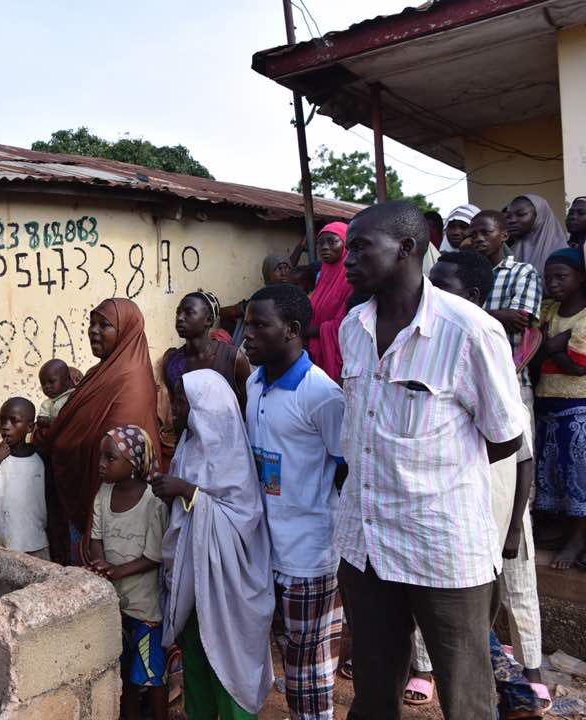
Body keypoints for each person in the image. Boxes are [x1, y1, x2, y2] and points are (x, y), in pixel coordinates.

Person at [337, 201, 523, 720]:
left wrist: (430, 475)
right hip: (367, 544)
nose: (347, 259)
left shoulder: (469, 331)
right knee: (374, 696)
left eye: (360, 247)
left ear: (407, 249)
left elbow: (505, 437)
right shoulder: (353, 326)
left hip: (442, 546)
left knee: (465, 699)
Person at [415, 251, 546, 709]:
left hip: (492, 508)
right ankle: (508, 687)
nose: (427, 295)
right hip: (451, 518)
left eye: (441, 287)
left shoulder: (492, 362)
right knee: (463, 616)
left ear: (472, 297)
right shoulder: (423, 351)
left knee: (493, 603)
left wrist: (512, 526)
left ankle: (520, 680)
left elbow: (520, 452)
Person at [242, 284, 346, 720]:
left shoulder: (321, 394)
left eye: (259, 325)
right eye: (246, 324)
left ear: (292, 330)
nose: (246, 335)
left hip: (309, 552)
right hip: (268, 546)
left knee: (311, 665)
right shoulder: (254, 382)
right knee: (289, 655)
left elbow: (345, 465)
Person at [155, 369, 274, 719]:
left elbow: (243, 518)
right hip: (194, 583)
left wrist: (186, 491)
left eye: (182, 401)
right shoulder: (188, 446)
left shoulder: (231, 453)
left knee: (228, 661)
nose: (173, 409)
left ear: (205, 407)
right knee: (197, 657)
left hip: (227, 589)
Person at [42, 298, 161, 564]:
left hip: (113, 503)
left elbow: (114, 446)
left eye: (104, 325)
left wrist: (61, 440)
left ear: (126, 330)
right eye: (91, 324)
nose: (93, 330)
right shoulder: (101, 372)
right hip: (92, 493)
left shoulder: (131, 380)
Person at [88, 425, 168, 720]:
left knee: (150, 675)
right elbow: (96, 538)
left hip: (146, 610)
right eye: (101, 457)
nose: (101, 464)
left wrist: (117, 571)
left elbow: (154, 556)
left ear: (133, 464)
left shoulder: (153, 502)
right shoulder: (103, 493)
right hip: (116, 605)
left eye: (110, 459)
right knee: (123, 674)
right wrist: (99, 564)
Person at [533, 247, 586, 571]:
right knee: (552, 472)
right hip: (546, 403)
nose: (553, 283)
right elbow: (533, 352)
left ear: (580, 277)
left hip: (577, 405)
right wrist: (554, 347)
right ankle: (563, 530)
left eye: (561, 277)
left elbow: (579, 367)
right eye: (548, 277)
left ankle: (578, 538)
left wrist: (548, 348)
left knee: (579, 475)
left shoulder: (583, 316)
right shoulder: (548, 310)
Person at [469, 210, 543, 388]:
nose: (478, 238)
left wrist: (470, 315)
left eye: (486, 232)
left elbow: (519, 320)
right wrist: (501, 316)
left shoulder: (523, 272)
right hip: (472, 379)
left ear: (504, 235)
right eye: (473, 235)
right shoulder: (467, 276)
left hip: (512, 378)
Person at [0, 397, 49, 560]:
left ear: (30, 427)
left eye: (14, 421)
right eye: (2, 420)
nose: (6, 427)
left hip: (36, 543)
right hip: (1, 546)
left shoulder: (41, 457)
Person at [307, 222, 351, 383]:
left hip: (340, 357)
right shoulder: (323, 276)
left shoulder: (352, 279)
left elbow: (348, 323)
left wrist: (311, 331)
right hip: (316, 353)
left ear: (346, 243)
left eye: (332, 242)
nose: (324, 247)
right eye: (320, 243)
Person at [506, 194, 568, 276]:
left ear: (539, 216)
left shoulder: (563, 254)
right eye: (508, 216)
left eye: (521, 214)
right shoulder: (508, 254)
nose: (512, 220)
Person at [37, 358, 77, 429]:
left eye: (51, 382)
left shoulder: (75, 395)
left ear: (66, 380)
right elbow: (41, 419)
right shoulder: (47, 403)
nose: (47, 387)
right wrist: (50, 422)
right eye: (43, 384)